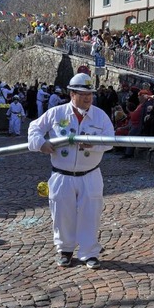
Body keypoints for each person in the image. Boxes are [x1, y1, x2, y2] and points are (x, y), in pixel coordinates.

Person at [28, 73, 114, 269]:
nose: (87, 98)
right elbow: (34, 129)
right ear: (72, 94)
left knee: (90, 213)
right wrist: (41, 143)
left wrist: (94, 145)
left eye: (90, 94)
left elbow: (111, 140)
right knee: (61, 213)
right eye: (83, 94)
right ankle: (65, 250)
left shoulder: (100, 116)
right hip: (62, 175)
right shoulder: (56, 113)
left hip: (90, 174)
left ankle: (89, 252)